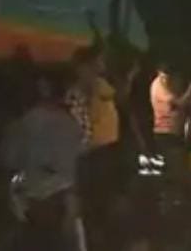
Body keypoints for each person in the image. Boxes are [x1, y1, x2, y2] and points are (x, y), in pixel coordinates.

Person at [0, 69, 87, 251]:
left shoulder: (25, 122)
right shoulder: (73, 125)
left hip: (33, 201)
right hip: (62, 201)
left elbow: (9, 161)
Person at [66, 46, 121, 251]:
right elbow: (79, 136)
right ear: (83, 68)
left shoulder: (100, 89)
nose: (101, 68)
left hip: (103, 156)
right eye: (97, 64)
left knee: (103, 213)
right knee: (92, 214)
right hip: (88, 159)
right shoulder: (75, 96)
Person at [150, 59, 191, 181]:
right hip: (166, 132)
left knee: (177, 169)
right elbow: (179, 103)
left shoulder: (166, 84)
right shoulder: (158, 86)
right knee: (174, 171)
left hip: (174, 132)